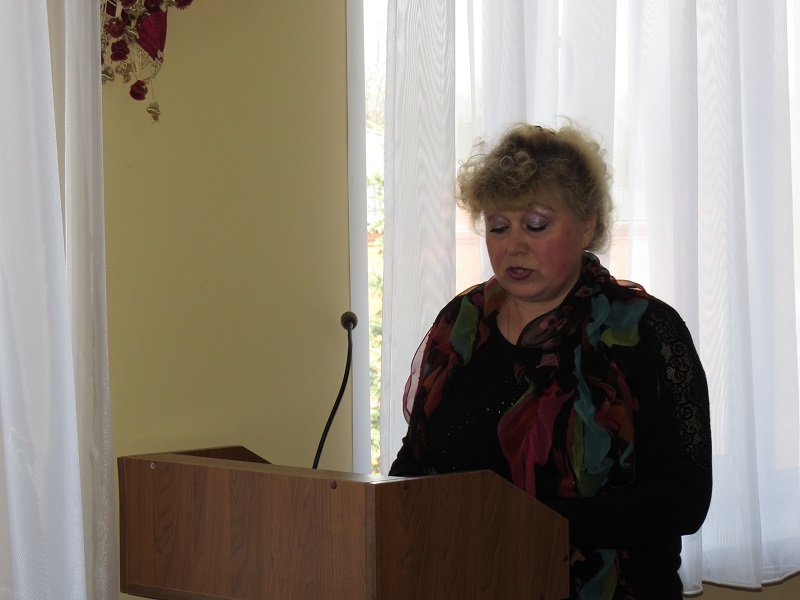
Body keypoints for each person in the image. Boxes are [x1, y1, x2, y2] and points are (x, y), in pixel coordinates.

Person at [388, 122, 712, 599]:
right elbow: (414, 463)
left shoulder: (645, 330)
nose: (513, 246)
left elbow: (683, 499)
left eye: (536, 225)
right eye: (498, 227)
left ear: (588, 225)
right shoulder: (461, 324)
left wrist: (520, 523)